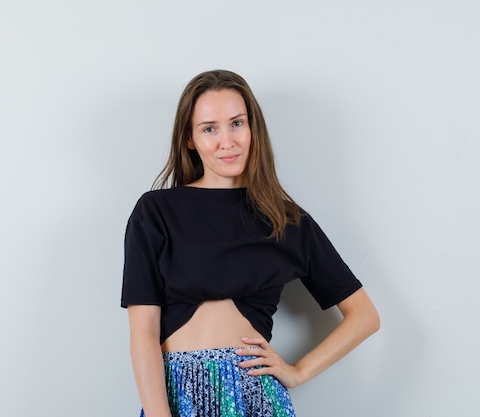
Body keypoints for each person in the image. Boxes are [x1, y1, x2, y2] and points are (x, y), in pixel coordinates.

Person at [120, 69, 380, 417]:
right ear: (189, 138)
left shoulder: (286, 220)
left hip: (255, 395)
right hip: (176, 393)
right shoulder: (156, 211)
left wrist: (298, 371)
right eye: (209, 128)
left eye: (237, 123)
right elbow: (143, 332)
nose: (227, 141)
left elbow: (364, 316)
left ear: (253, 128)